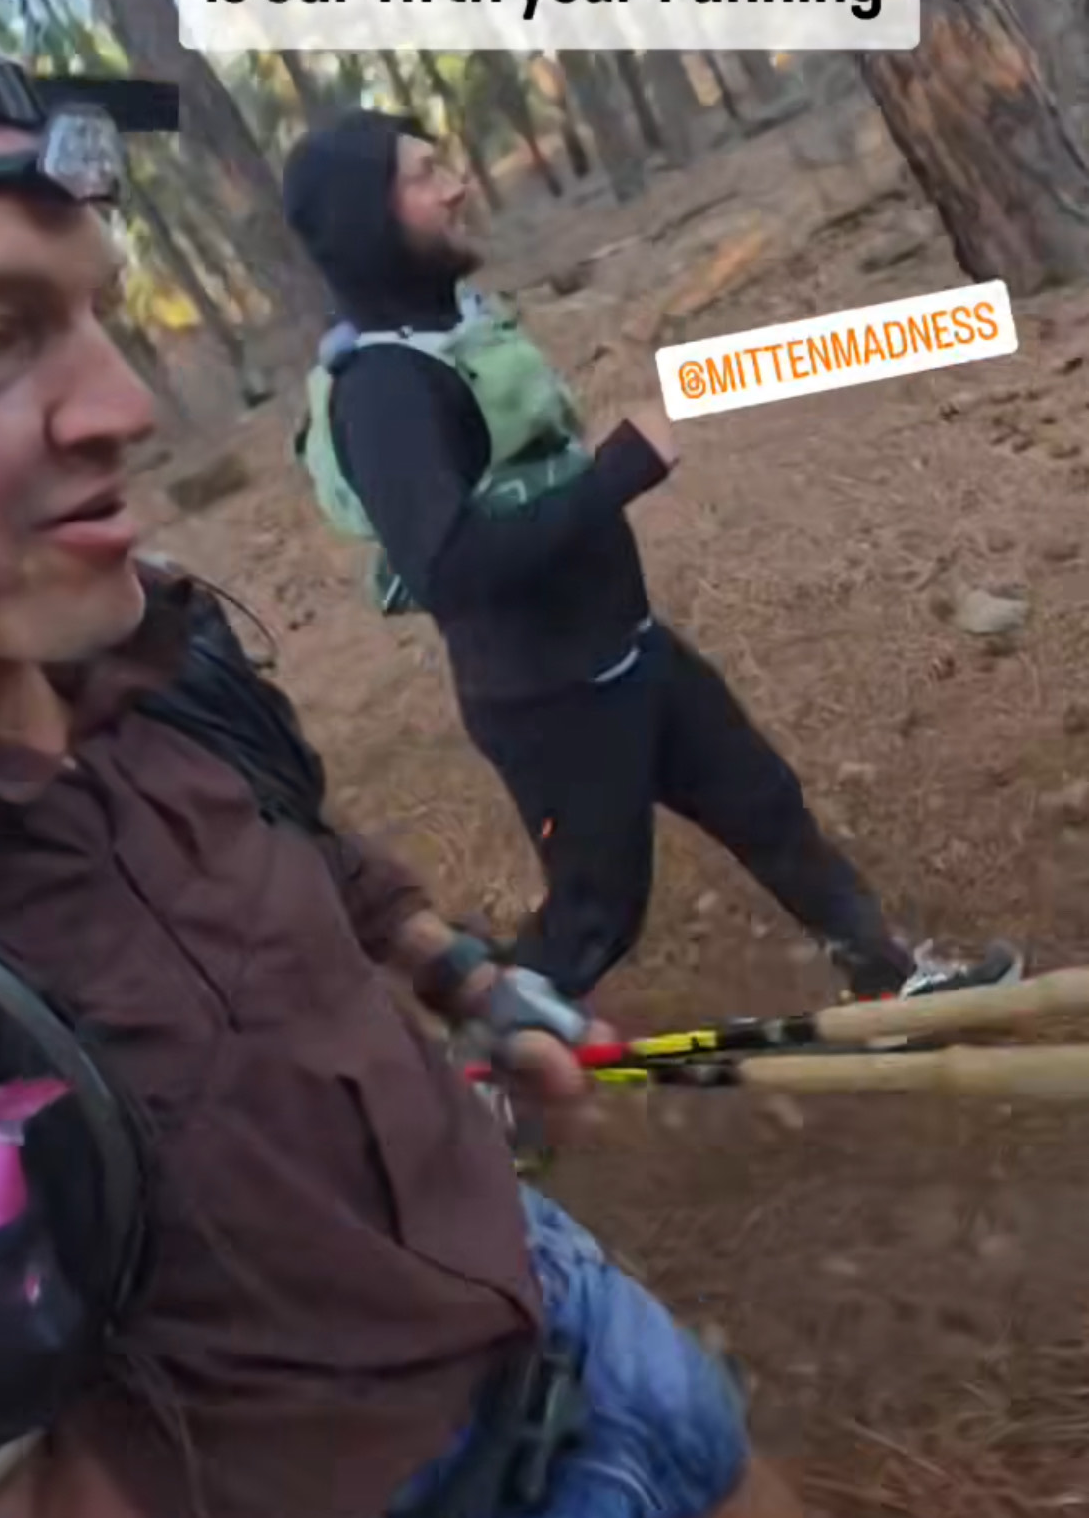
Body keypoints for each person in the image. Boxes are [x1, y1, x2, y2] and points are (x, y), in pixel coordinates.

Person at [0, 0, 823, 1518]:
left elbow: (308, 855)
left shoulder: (137, 644)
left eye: (98, 315)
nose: (122, 403)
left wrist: (470, 983)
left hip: (547, 1299)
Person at [283, 110, 1021, 1007]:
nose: (458, 184)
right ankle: (498, 1050)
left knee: (766, 805)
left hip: (631, 648)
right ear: (367, 214)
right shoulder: (385, 390)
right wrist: (617, 474)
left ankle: (890, 980)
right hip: (553, 703)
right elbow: (449, 569)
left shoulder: (455, 329)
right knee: (596, 916)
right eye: (424, 173)